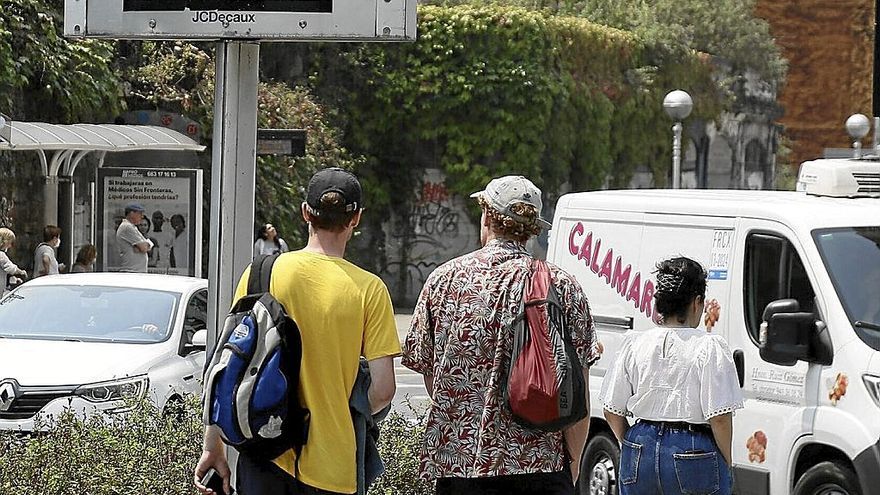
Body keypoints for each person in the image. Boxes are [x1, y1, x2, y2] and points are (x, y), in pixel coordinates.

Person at [195, 167, 400, 495]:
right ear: (356, 219)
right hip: (333, 466)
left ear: (306, 212)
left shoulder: (262, 271)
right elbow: (383, 390)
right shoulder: (369, 290)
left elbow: (227, 367)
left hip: (264, 453)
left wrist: (213, 446)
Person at [402, 175, 600, 494]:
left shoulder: (444, 281)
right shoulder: (562, 287)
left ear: (487, 217)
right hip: (540, 468)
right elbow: (577, 396)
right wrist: (572, 467)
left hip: (461, 466)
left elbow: (432, 377)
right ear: (534, 228)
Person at [599, 257, 744, 495]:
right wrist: (726, 462)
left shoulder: (634, 343)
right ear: (697, 302)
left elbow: (611, 409)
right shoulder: (709, 347)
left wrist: (632, 443)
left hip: (639, 442)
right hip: (693, 447)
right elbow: (719, 417)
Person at [115, 203, 153, 273]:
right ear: (132, 213)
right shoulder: (127, 227)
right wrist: (143, 246)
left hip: (136, 271)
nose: (142, 216)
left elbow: (146, 247)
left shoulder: (133, 227)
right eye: (140, 213)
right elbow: (144, 248)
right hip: (131, 271)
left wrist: (142, 246)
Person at [0, 228, 27, 295]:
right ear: (5, 241)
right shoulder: (1, 255)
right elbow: (11, 269)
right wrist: (22, 272)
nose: (10, 246)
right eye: (10, 242)